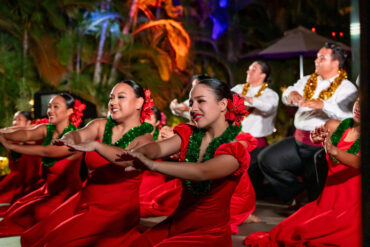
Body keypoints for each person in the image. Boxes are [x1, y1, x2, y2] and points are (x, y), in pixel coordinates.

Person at [119, 78, 257, 246]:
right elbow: (158, 149)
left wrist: (152, 165)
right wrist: (138, 153)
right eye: (191, 103)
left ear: (222, 105)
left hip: (208, 234)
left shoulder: (236, 149)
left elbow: (202, 172)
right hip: (177, 223)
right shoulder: (188, 134)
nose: (193, 108)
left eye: (201, 101)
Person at [21, 80, 155, 247]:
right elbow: (80, 134)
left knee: (55, 243)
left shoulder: (146, 139)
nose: (113, 102)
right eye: (111, 97)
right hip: (85, 198)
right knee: (31, 238)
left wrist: (97, 145)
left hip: (115, 210)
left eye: (121, 97)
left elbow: (127, 159)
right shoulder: (100, 125)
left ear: (139, 102)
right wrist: (69, 138)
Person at [244, 97, 361, 247]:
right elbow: (325, 145)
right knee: (287, 232)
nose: (358, 107)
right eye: (358, 101)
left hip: (353, 205)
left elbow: (359, 162)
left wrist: (333, 150)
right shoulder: (334, 126)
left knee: (328, 238)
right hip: (326, 201)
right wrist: (318, 139)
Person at [258, 42, 358, 205]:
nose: (316, 61)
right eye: (317, 57)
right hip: (298, 140)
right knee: (268, 160)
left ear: (336, 63)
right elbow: (287, 94)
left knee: (317, 190)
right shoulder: (307, 81)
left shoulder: (347, 88)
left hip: (321, 146)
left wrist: (323, 105)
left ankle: (310, 205)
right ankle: (297, 193)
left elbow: (349, 117)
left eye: (322, 58)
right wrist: (292, 94)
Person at [0, 93, 85, 236]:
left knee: (38, 215)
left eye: (56, 107)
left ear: (70, 111)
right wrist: (1, 132)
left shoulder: (74, 137)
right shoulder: (47, 129)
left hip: (66, 195)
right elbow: (26, 134)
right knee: (17, 211)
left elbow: (47, 151)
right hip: (47, 191)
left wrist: (10, 146)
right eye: (49, 106)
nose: (50, 110)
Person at [230, 60, 279, 231]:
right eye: (249, 67)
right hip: (234, 140)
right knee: (233, 178)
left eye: (254, 68)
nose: (249, 70)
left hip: (256, 143)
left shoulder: (270, 94)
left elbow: (267, 107)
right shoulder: (237, 88)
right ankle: (234, 211)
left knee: (249, 182)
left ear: (263, 75)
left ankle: (246, 213)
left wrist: (247, 99)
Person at [140, 106, 182, 218]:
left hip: (155, 182)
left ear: (157, 122)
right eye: (143, 117)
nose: (145, 120)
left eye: (149, 118)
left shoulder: (164, 137)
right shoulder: (134, 137)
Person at [0, 111, 42, 208]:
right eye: (14, 120)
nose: (15, 122)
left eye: (19, 119)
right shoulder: (9, 139)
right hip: (16, 180)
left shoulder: (39, 137)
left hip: (35, 180)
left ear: (29, 122)